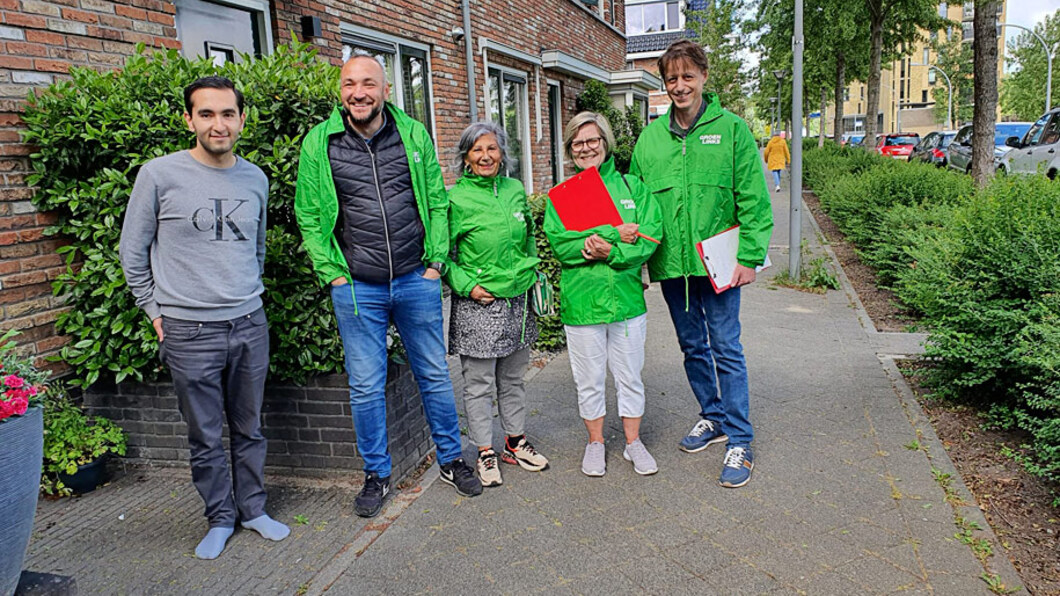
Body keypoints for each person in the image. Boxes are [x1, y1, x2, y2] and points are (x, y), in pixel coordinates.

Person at [294, 51, 481, 518]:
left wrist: (436, 262)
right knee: (365, 386)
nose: (359, 93)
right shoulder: (320, 143)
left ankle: (451, 459)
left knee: (435, 375)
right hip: (358, 287)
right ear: (341, 90)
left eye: (368, 84)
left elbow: (438, 204)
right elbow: (309, 216)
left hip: (416, 280)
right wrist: (332, 274)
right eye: (350, 84)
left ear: (385, 90)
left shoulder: (413, 134)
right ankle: (376, 475)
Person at [119, 76, 290, 559]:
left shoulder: (256, 178)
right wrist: (156, 312)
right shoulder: (158, 175)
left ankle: (253, 509)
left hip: (249, 323)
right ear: (189, 119)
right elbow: (132, 252)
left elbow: (256, 249)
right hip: (188, 330)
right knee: (206, 433)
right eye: (208, 114)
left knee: (250, 426)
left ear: (241, 119)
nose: (220, 123)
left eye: (228, 113)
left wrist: (243, 296)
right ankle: (219, 517)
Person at [630, 40, 773, 488]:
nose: (679, 86)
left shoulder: (731, 130)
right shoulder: (649, 140)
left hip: (721, 265)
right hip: (674, 267)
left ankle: (741, 440)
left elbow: (754, 196)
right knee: (693, 347)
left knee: (727, 347)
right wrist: (638, 262)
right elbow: (635, 204)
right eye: (671, 78)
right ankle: (712, 417)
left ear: (704, 77)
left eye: (687, 76)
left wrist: (750, 256)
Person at [544, 111, 663, 478]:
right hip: (582, 304)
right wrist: (614, 233)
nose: (586, 148)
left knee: (630, 375)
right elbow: (561, 245)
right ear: (570, 149)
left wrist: (610, 252)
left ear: (605, 142)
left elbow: (650, 237)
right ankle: (595, 443)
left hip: (626, 302)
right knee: (589, 378)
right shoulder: (560, 196)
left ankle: (632, 443)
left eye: (592, 140)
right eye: (578, 143)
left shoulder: (632, 188)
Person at [445, 122, 549, 487]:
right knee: (478, 384)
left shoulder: (515, 189)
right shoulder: (456, 199)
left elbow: (530, 240)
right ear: (466, 158)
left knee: (513, 378)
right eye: (477, 150)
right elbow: (442, 255)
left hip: (517, 302)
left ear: (502, 153)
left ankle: (515, 442)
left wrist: (532, 271)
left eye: (492, 148)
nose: (486, 156)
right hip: (479, 305)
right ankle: (485, 451)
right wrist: (467, 286)